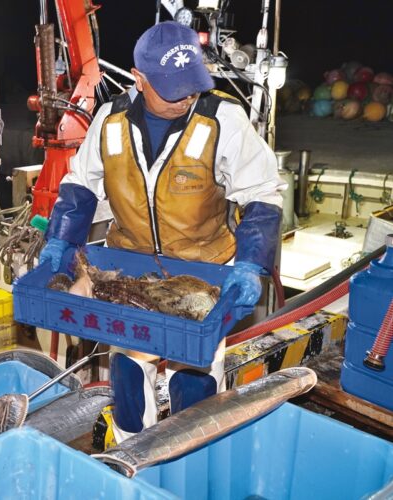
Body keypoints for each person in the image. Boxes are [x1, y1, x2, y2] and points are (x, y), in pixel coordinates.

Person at [38, 22, 285, 443]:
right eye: (174, 89)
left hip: (202, 272)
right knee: (129, 375)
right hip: (129, 271)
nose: (187, 97)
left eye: (193, 85)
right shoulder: (109, 120)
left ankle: (190, 457)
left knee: (196, 384)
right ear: (140, 78)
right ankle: (135, 457)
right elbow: (80, 186)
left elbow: (262, 194)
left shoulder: (222, 118)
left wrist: (248, 264)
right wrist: (60, 239)